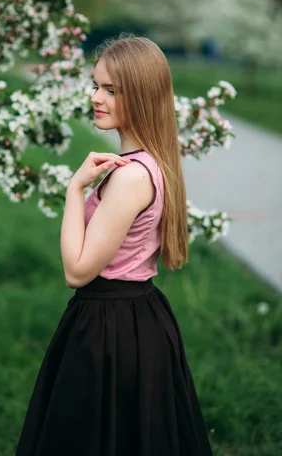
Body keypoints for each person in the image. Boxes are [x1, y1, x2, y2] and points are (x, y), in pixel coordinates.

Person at [15, 34, 214, 455]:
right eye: (95, 85)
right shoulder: (147, 165)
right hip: (133, 316)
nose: (95, 98)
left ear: (140, 95)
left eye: (110, 89)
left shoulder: (131, 177)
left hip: (112, 327)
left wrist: (74, 189)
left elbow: (78, 270)